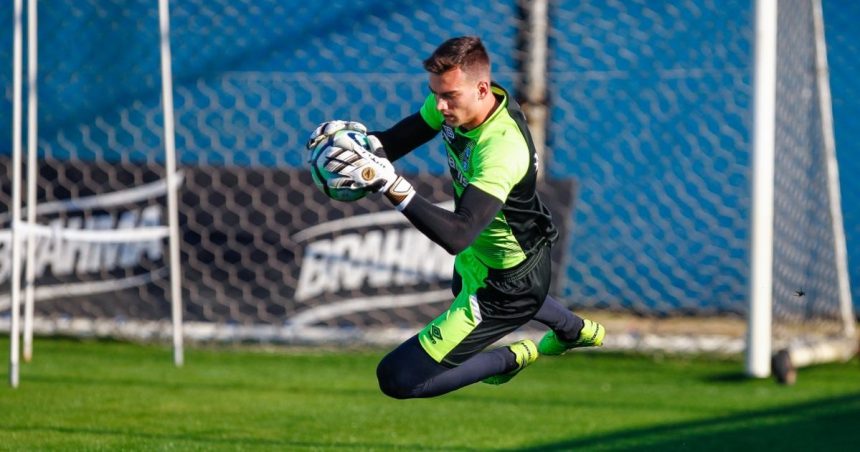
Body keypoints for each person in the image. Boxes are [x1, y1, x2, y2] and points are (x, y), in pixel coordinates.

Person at [306, 36, 605, 399]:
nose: (440, 105)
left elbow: (457, 234)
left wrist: (385, 182)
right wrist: (358, 146)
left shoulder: (502, 149)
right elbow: (398, 140)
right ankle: (572, 330)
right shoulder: (462, 103)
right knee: (463, 287)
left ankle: (510, 359)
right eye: (436, 94)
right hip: (486, 255)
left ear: (481, 89)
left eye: (449, 96)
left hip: (507, 284)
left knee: (398, 378)